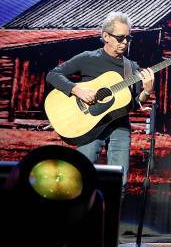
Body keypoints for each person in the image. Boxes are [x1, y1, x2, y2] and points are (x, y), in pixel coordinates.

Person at [46, 11, 154, 186]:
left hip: (120, 126)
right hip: (90, 124)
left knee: (119, 182)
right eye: (120, 38)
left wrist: (147, 91)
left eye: (128, 38)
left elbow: (132, 104)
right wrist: (76, 89)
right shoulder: (88, 58)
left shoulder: (131, 67)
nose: (125, 42)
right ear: (106, 36)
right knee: (79, 177)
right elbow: (53, 74)